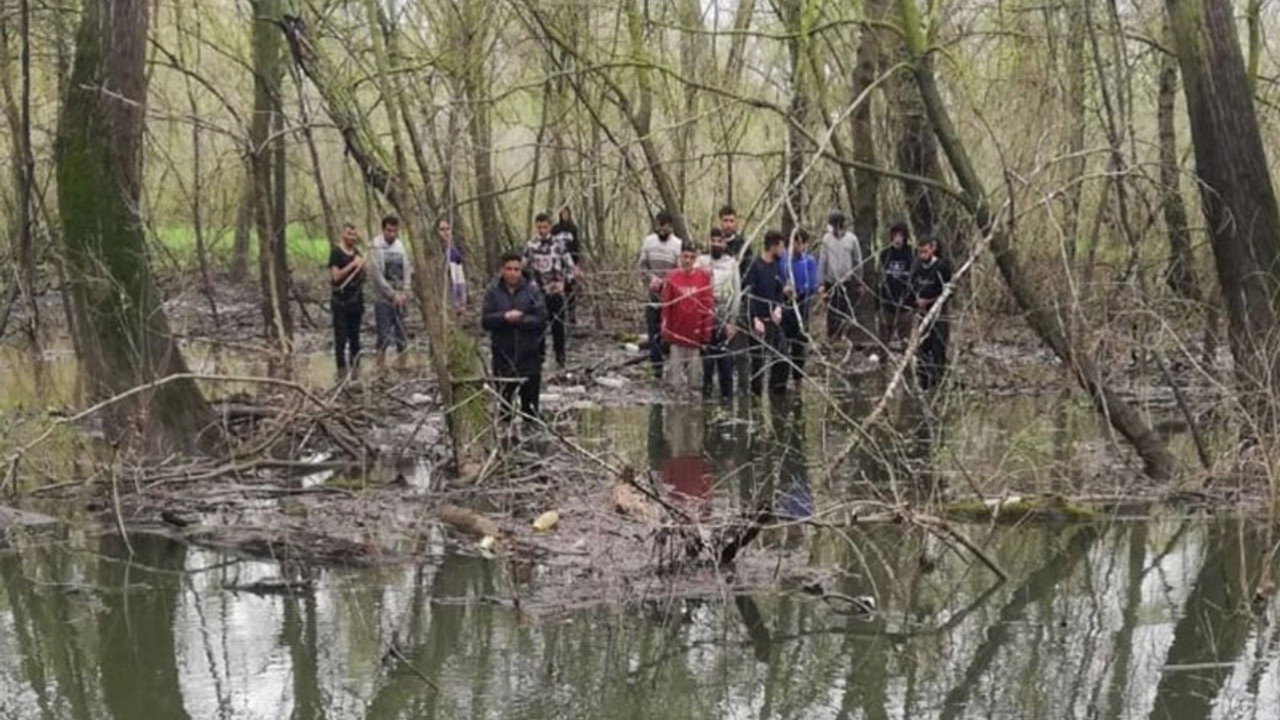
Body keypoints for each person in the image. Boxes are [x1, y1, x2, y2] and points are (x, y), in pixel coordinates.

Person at [482, 251, 549, 424]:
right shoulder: (493, 292)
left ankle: (531, 446)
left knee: (531, 411)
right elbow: (485, 320)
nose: (513, 273)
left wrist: (521, 319)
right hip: (502, 356)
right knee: (505, 411)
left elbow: (542, 318)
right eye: (509, 269)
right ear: (502, 270)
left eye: (516, 269)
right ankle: (506, 446)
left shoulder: (532, 290)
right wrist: (504, 317)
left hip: (530, 356)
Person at [524, 212, 576, 368]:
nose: (542, 230)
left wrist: (565, 282)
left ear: (550, 227)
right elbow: (522, 267)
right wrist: (528, 285)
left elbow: (570, 266)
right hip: (537, 293)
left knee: (558, 326)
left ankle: (560, 357)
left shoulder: (558, 244)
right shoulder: (531, 245)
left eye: (545, 227)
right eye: (539, 227)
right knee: (538, 326)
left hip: (556, 292)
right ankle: (539, 358)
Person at [661, 243, 714, 391]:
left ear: (695, 259)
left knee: (695, 384)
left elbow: (707, 308)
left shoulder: (703, 277)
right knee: (675, 384)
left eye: (691, 257)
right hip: (676, 337)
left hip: (695, 338)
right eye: (685, 256)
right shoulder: (672, 277)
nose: (688, 260)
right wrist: (666, 334)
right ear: (680, 257)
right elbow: (666, 308)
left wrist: (706, 337)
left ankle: (694, 413)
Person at [638, 210, 684, 379]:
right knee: (653, 332)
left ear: (671, 227)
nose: (662, 230)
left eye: (665, 227)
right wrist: (651, 279)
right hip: (652, 295)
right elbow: (641, 267)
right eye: (659, 226)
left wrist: (667, 282)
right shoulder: (648, 242)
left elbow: (681, 270)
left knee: (670, 333)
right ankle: (657, 368)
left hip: (671, 298)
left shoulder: (678, 245)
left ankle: (674, 367)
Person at [744, 230, 789, 395]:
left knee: (783, 359)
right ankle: (756, 401)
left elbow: (779, 291)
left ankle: (777, 396)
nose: (783, 250)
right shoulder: (754, 265)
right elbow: (749, 294)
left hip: (774, 321)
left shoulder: (777, 265)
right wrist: (754, 318)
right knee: (758, 365)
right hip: (758, 322)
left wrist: (779, 307)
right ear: (773, 246)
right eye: (781, 246)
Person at [697, 228, 741, 399]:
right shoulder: (701, 262)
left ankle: (727, 400)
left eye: (719, 241)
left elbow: (736, 293)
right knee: (707, 363)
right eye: (713, 241)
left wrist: (732, 321)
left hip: (725, 317)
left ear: (724, 243)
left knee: (726, 363)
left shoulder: (732, 264)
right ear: (709, 241)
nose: (716, 244)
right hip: (706, 319)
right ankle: (706, 401)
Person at [369, 214, 411, 370]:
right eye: (389, 230)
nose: (392, 234)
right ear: (383, 230)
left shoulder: (400, 246)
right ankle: (380, 367)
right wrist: (392, 295)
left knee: (402, 336)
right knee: (383, 336)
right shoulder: (375, 246)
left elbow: (407, 269)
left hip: (401, 298)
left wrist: (405, 291)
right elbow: (377, 275)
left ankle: (403, 367)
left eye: (394, 231)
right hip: (383, 300)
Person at [911, 236, 953, 390]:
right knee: (922, 347)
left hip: (939, 314)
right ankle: (922, 381)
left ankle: (938, 381)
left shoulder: (942, 266)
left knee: (938, 347)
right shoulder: (916, 265)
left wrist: (929, 301)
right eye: (920, 252)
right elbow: (911, 284)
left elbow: (948, 292)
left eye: (925, 252)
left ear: (932, 249)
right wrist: (917, 300)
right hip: (921, 314)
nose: (923, 255)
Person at [718, 205, 753, 393]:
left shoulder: (744, 246)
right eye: (725, 220)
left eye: (731, 220)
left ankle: (744, 388)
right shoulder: (714, 244)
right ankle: (723, 388)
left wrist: (741, 301)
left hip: (739, 301)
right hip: (718, 303)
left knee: (740, 348)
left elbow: (748, 275)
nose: (728, 224)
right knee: (720, 346)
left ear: (736, 222)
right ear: (720, 221)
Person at [778, 229, 819, 386]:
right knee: (783, 345)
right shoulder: (782, 260)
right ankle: (781, 381)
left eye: (802, 243)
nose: (799, 246)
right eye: (797, 242)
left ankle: (798, 382)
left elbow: (812, 285)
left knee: (799, 347)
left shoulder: (809, 261)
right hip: (784, 306)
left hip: (801, 308)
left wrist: (801, 291)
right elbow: (778, 280)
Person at [818, 211, 863, 342]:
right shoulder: (826, 239)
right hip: (831, 282)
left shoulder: (852, 239)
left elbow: (857, 261)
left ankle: (846, 338)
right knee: (832, 313)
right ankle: (832, 338)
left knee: (846, 311)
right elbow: (822, 261)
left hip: (847, 282)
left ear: (838, 225)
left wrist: (859, 281)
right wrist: (820, 283)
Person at [878, 222, 915, 351]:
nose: (898, 239)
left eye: (901, 235)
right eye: (895, 235)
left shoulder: (911, 254)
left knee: (905, 340)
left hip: (906, 303)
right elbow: (881, 278)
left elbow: (914, 279)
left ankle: (906, 366)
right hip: (888, 302)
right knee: (884, 339)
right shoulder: (885, 254)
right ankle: (882, 364)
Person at [551, 207, 582, 325]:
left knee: (570, 288)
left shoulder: (573, 229)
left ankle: (572, 314)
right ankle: (558, 313)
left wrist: (576, 263)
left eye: (567, 213)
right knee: (558, 288)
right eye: (563, 213)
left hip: (570, 262)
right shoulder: (555, 229)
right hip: (558, 263)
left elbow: (576, 246)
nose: (565, 216)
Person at [436, 217, 467, 314]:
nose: (445, 232)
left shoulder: (454, 251)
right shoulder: (435, 252)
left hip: (455, 296)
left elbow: (460, 279)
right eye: (442, 229)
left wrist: (461, 300)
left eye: (447, 229)